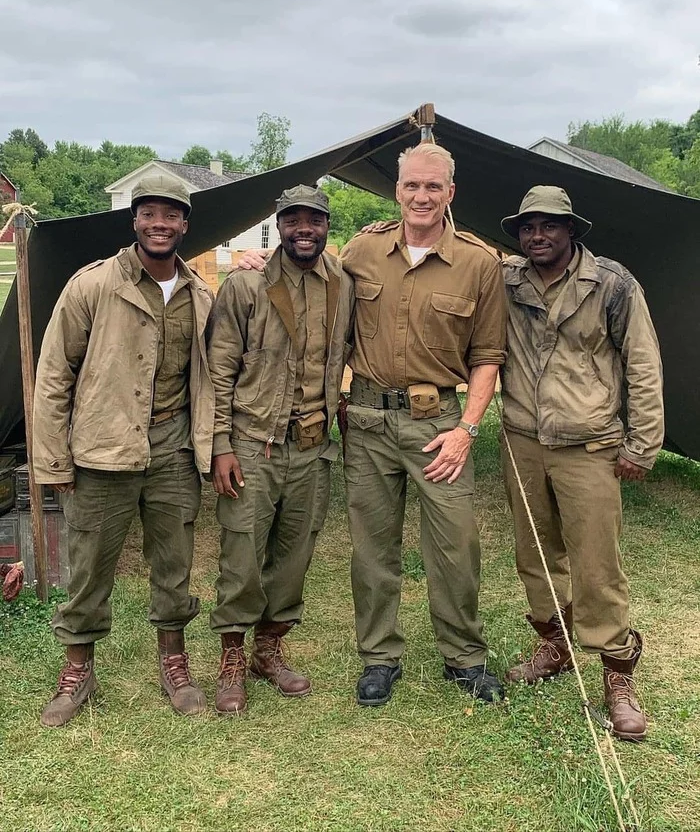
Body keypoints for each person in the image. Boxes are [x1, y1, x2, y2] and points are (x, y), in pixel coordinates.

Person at [33, 174, 215, 727]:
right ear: (133, 220)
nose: (161, 224)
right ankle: (77, 670)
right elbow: (53, 375)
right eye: (149, 214)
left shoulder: (200, 295)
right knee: (89, 565)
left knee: (175, 561)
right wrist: (53, 460)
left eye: (172, 215)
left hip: (172, 446)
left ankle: (174, 662)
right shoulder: (92, 285)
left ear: (185, 224)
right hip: (103, 447)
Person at [340, 143, 507, 706]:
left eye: (434, 187)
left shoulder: (479, 263)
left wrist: (467, 429)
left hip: (438, 424)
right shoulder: (361, 251)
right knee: (372, 547)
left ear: (450, 194)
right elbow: (311, 285)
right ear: (396, 188)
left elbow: (488, 356)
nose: (422, 196)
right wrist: (256, 263)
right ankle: (380, 657)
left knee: (456, 544)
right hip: (365, 421)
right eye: (412, 184)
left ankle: (463, 656)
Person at [499, 185, 664, 742]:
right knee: (536, 555)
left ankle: (617, 674)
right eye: (527, 227)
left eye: (549, 226)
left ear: (572, 231)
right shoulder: (506, 280)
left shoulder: (612, 284)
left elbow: (643, 362)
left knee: (597, 562)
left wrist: (642, 443)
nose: (537, 236)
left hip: (589, 443)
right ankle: (555, 642)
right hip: (523, 438)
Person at [207, 185, 354, 715]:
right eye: (292, 220)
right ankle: (231, 655)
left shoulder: (342, 282)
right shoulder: (246, 284)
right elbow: (219, 369)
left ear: (326, 225)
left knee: (295, 553)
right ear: (279, 226)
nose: (303, 229)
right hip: (252, 441)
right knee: (242, 550)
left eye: (313, 220)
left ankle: (268, 648)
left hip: (313, 445)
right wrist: (220, 444)